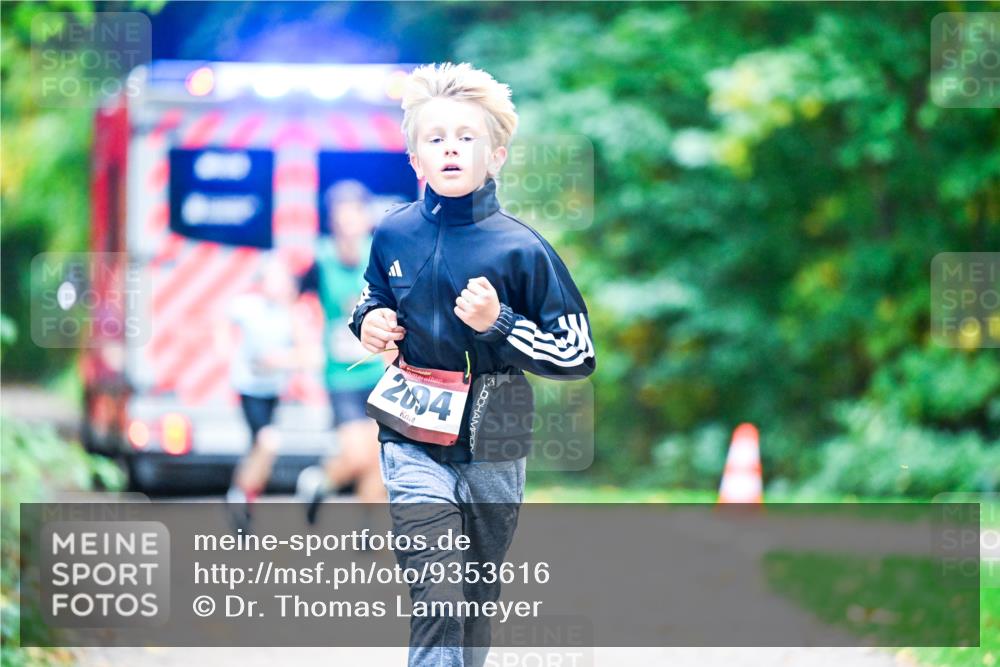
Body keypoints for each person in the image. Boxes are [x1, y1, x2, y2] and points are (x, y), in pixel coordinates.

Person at [349, 62, 596, 667]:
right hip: (411, 431)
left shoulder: (522, 248)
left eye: (467, 137)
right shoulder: (393, 233)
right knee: (437, 589)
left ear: (497, 156)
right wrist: (369, 321)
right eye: (436, 138)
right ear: (416, 160)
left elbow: (577, 353)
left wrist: (500, 323)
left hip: (497, 433)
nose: (451, 148)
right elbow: (370, 298)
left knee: (475, 599)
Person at [296, 180, 389, 526]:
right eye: (341, 220)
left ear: (366, 220)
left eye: (354, 218)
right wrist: (304, 344)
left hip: (378, 372)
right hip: (342, 376)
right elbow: (297, 303)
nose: (348, 227)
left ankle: (369, 526)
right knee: (357, 454)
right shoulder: (320, 260)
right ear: (332, 223)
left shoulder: (379, 256)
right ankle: (319, 482)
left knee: (379, 454)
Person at [215, 256, 314, 532]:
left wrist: (281, 360)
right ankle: (240, 495)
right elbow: (222, 321)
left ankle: (243, 500)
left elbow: (307, 355)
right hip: (248, 388)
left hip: (273, 391)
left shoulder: (292, 314)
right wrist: (224, 350)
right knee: (268, 443)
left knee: (258, 451)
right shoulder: (247, 307)